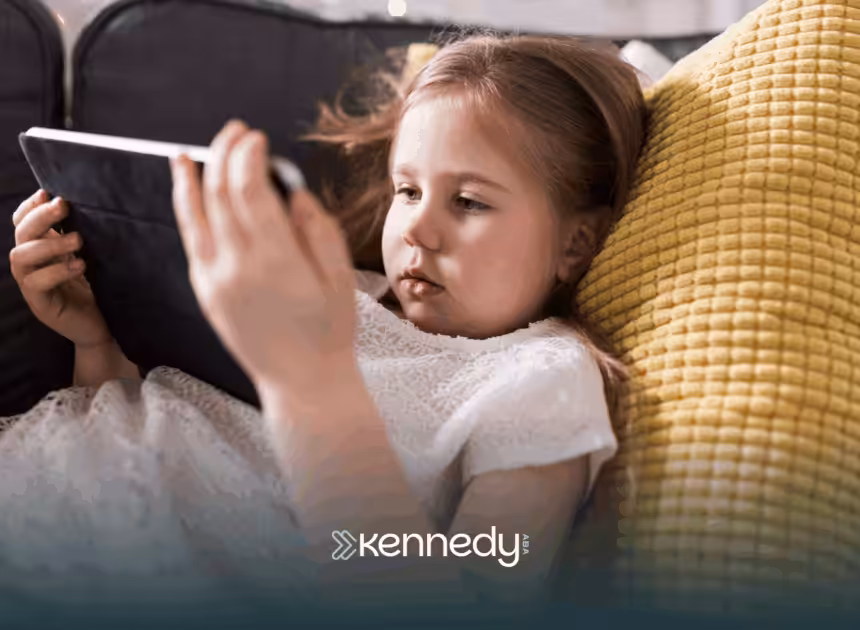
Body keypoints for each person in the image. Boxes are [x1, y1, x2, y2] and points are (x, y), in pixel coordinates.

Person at [1, 33, 646, 615]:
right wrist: (94, 340)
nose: (418, 228)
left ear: (576, 243)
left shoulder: (541, 381)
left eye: (469, 201)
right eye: (408, 191)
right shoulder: (341, 290)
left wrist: (310, 388)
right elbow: (143, 427)